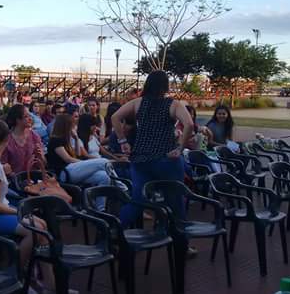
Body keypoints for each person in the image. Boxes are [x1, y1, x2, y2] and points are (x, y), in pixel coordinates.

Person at [0, 120, 78, 294]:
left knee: (42, 227)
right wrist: (19, 212)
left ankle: (44, 282)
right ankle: (17, 274)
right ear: (7, 139)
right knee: (36, 229)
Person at [112, 70, 193, 227]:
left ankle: (115, 229)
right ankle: (178, 237)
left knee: (138, 200)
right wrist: (180, 147)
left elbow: (115, 117)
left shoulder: (138, 103)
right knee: (175, 201)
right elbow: (189, 124)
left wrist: (123, 141)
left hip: (141, 159)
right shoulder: (173, 104)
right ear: (165, 86)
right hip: (166, 158)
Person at [46, 114, 113, 210]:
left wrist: (76, 138)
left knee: (104, 177)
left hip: (73, 170)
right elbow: (68, 159)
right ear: (65, 126)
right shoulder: (55, 140)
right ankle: (122, 187)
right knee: (104, 161)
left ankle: (100, 208)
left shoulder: (66, 139)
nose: (74, 128)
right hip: (64, 172)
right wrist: (82, 162)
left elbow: (78, 154)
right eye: (72, 125)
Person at [1, 104, 45, 175]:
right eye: (26, 116)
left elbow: (42, 164)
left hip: (32, 177)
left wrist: (41, 157)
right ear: (17, 120)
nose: (30, 119)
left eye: (30, 116)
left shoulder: (34, 136)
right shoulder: (7, 140)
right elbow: (3, 165)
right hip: (15, 179)